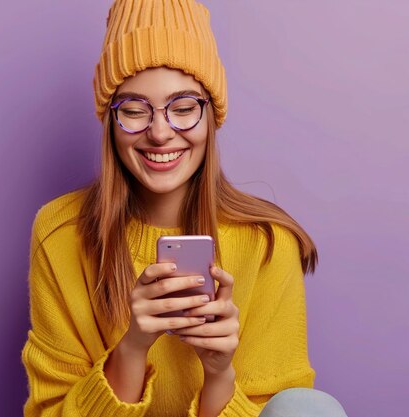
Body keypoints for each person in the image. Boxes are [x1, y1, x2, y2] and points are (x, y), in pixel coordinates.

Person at [21, 1, 348, 416]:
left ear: (211, 116)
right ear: (110, 121)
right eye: (136, 111)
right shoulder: (61, 232)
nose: (160, 133)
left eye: (183, 108)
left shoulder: (267, 244)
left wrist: (219, 373)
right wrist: (134, 345)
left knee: (306, 409)